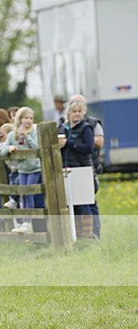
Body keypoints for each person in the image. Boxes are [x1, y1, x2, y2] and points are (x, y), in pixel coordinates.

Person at [0, 107, 43, 233]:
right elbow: (3, 151)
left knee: (29, 193)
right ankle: (24, 222)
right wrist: (9, 149)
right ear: (19, 119)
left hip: (35, 168)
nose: (28, 121)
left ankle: (27, 222)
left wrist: (27, 136)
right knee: (23, 194)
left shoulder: (34, 132)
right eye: (26, 118)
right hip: (22, 170)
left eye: (30, 118)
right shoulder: (12, 135)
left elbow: (37, 147)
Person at [58, 99, 95, 239]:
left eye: (80, 111)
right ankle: (75, 235)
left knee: (83, 203)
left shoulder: (86, 128)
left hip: (81, 168)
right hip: (66, 169)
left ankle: (87, 235)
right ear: (68, 113)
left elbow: (88, 148)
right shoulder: (63, 128)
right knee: (70, 204)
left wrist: (69, 143)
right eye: (74, 111)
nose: (77, 114)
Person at [69, 93, 103, 238]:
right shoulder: (65, 125)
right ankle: (79, 234)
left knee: (90, 202)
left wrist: (76, 141)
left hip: (89, 166)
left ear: (85, 108)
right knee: (76, 202)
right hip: (71, 168)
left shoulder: (93, 124)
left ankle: (94, 233)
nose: (77, 111)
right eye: (74, 105)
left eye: (79, 106)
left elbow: (98, 143)